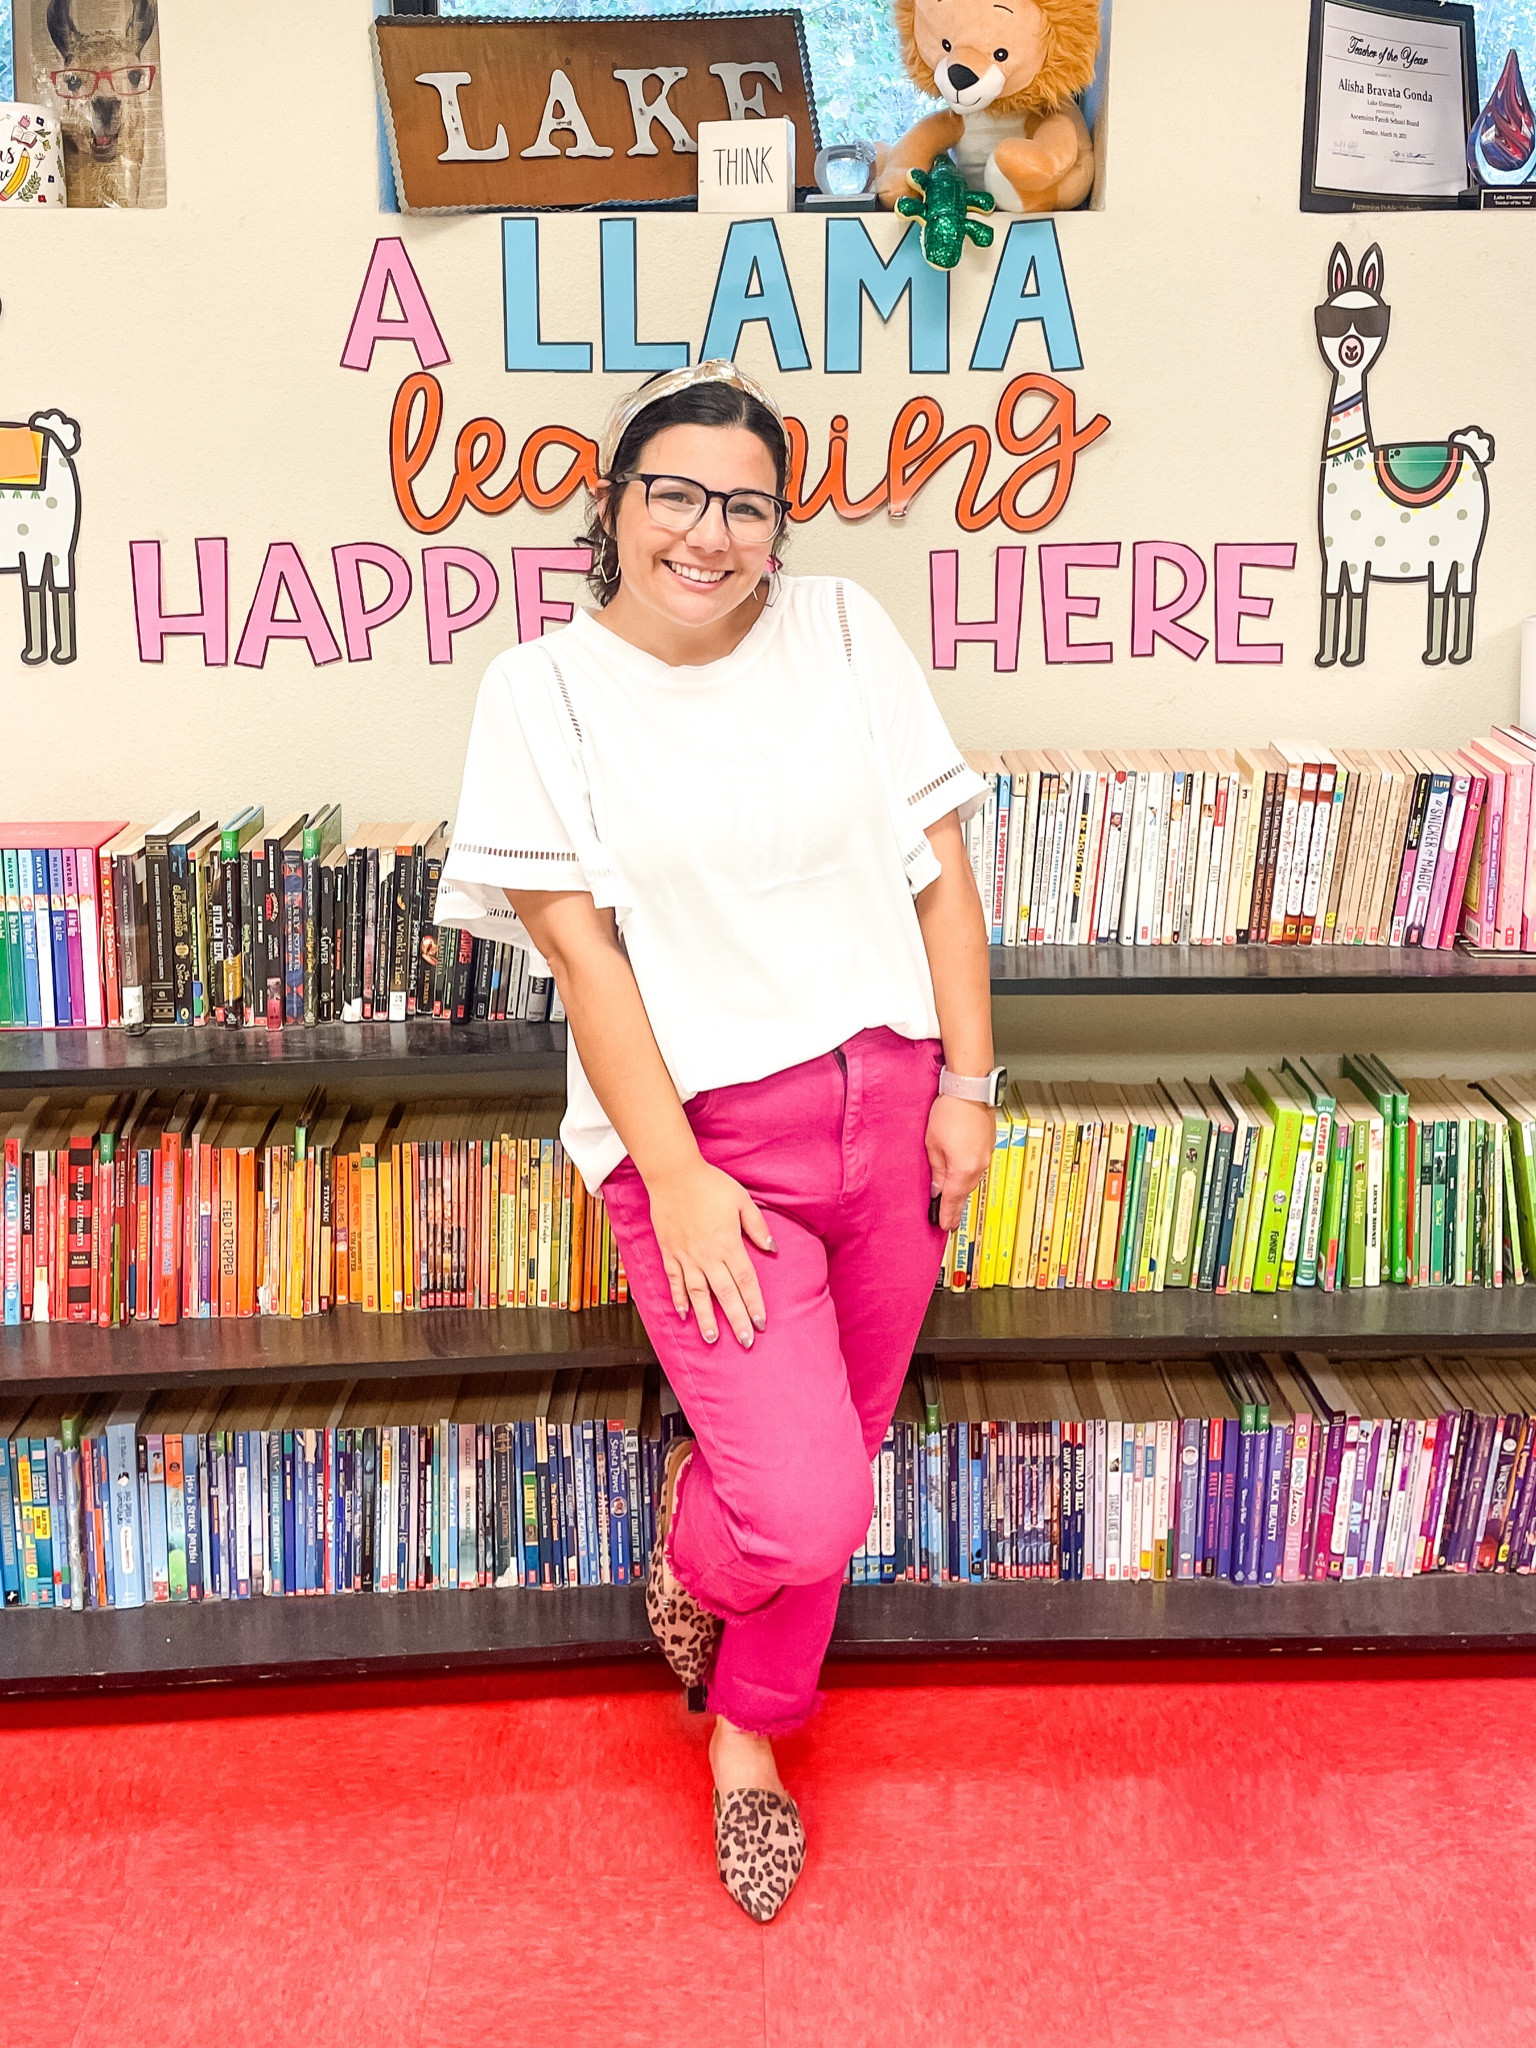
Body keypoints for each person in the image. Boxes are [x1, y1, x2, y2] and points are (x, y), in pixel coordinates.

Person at [435, 359, 1000, 1922]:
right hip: (708, 1142)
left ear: (777, 526)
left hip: (888, 1108)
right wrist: (673, 1170)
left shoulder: (841, 632)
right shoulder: (539, 690)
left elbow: (939, 871)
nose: (711, 531)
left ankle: (748, 1740)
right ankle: (698, 1557)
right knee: (802, 1504)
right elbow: (584, 951)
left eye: (747, 503)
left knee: (850, 1455)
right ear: (613, 505)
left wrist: (972, 1084)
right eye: (675, 492)